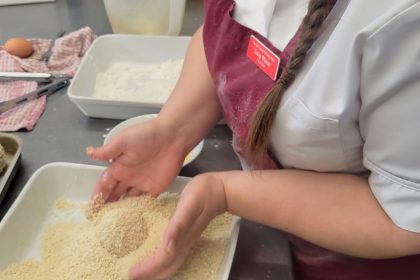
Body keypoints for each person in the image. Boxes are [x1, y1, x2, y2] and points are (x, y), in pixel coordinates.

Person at [87, 0, 420, 279]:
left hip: (358, 261)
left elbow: (403, 219)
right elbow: (225, 39)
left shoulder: (402, 21)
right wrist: (173, 129)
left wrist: (226, 192)